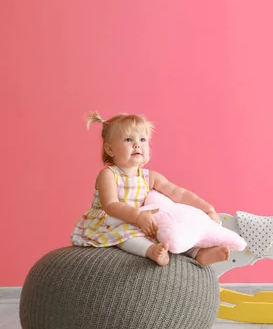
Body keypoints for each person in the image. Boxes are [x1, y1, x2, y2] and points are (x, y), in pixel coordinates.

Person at [70, 111, 230, 266]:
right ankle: (151, 251)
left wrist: (207, 208)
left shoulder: (149, 176)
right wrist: (137, 216)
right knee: (127, 235)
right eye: (128, 139)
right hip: (114, 220)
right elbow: (110, 205)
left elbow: (178, 193)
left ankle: (198, 253)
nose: (137, 144)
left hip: (143, 220)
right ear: (110, 149)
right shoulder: (109, 174)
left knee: (171, 232)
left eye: (142, 139)